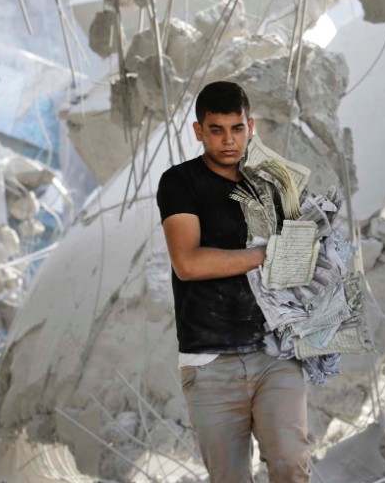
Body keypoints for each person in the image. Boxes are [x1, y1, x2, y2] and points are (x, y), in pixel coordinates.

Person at [156, 81, 311, 482]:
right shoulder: (180, 182)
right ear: (198, 132)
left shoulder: (275, 184)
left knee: (291, 463)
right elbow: (187, 263)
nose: (228, 140)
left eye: (236, 129)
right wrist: (265, 255)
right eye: (216, 130)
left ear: (251, 126)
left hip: (275, 353)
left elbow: (299, 262)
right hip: (209, 362)